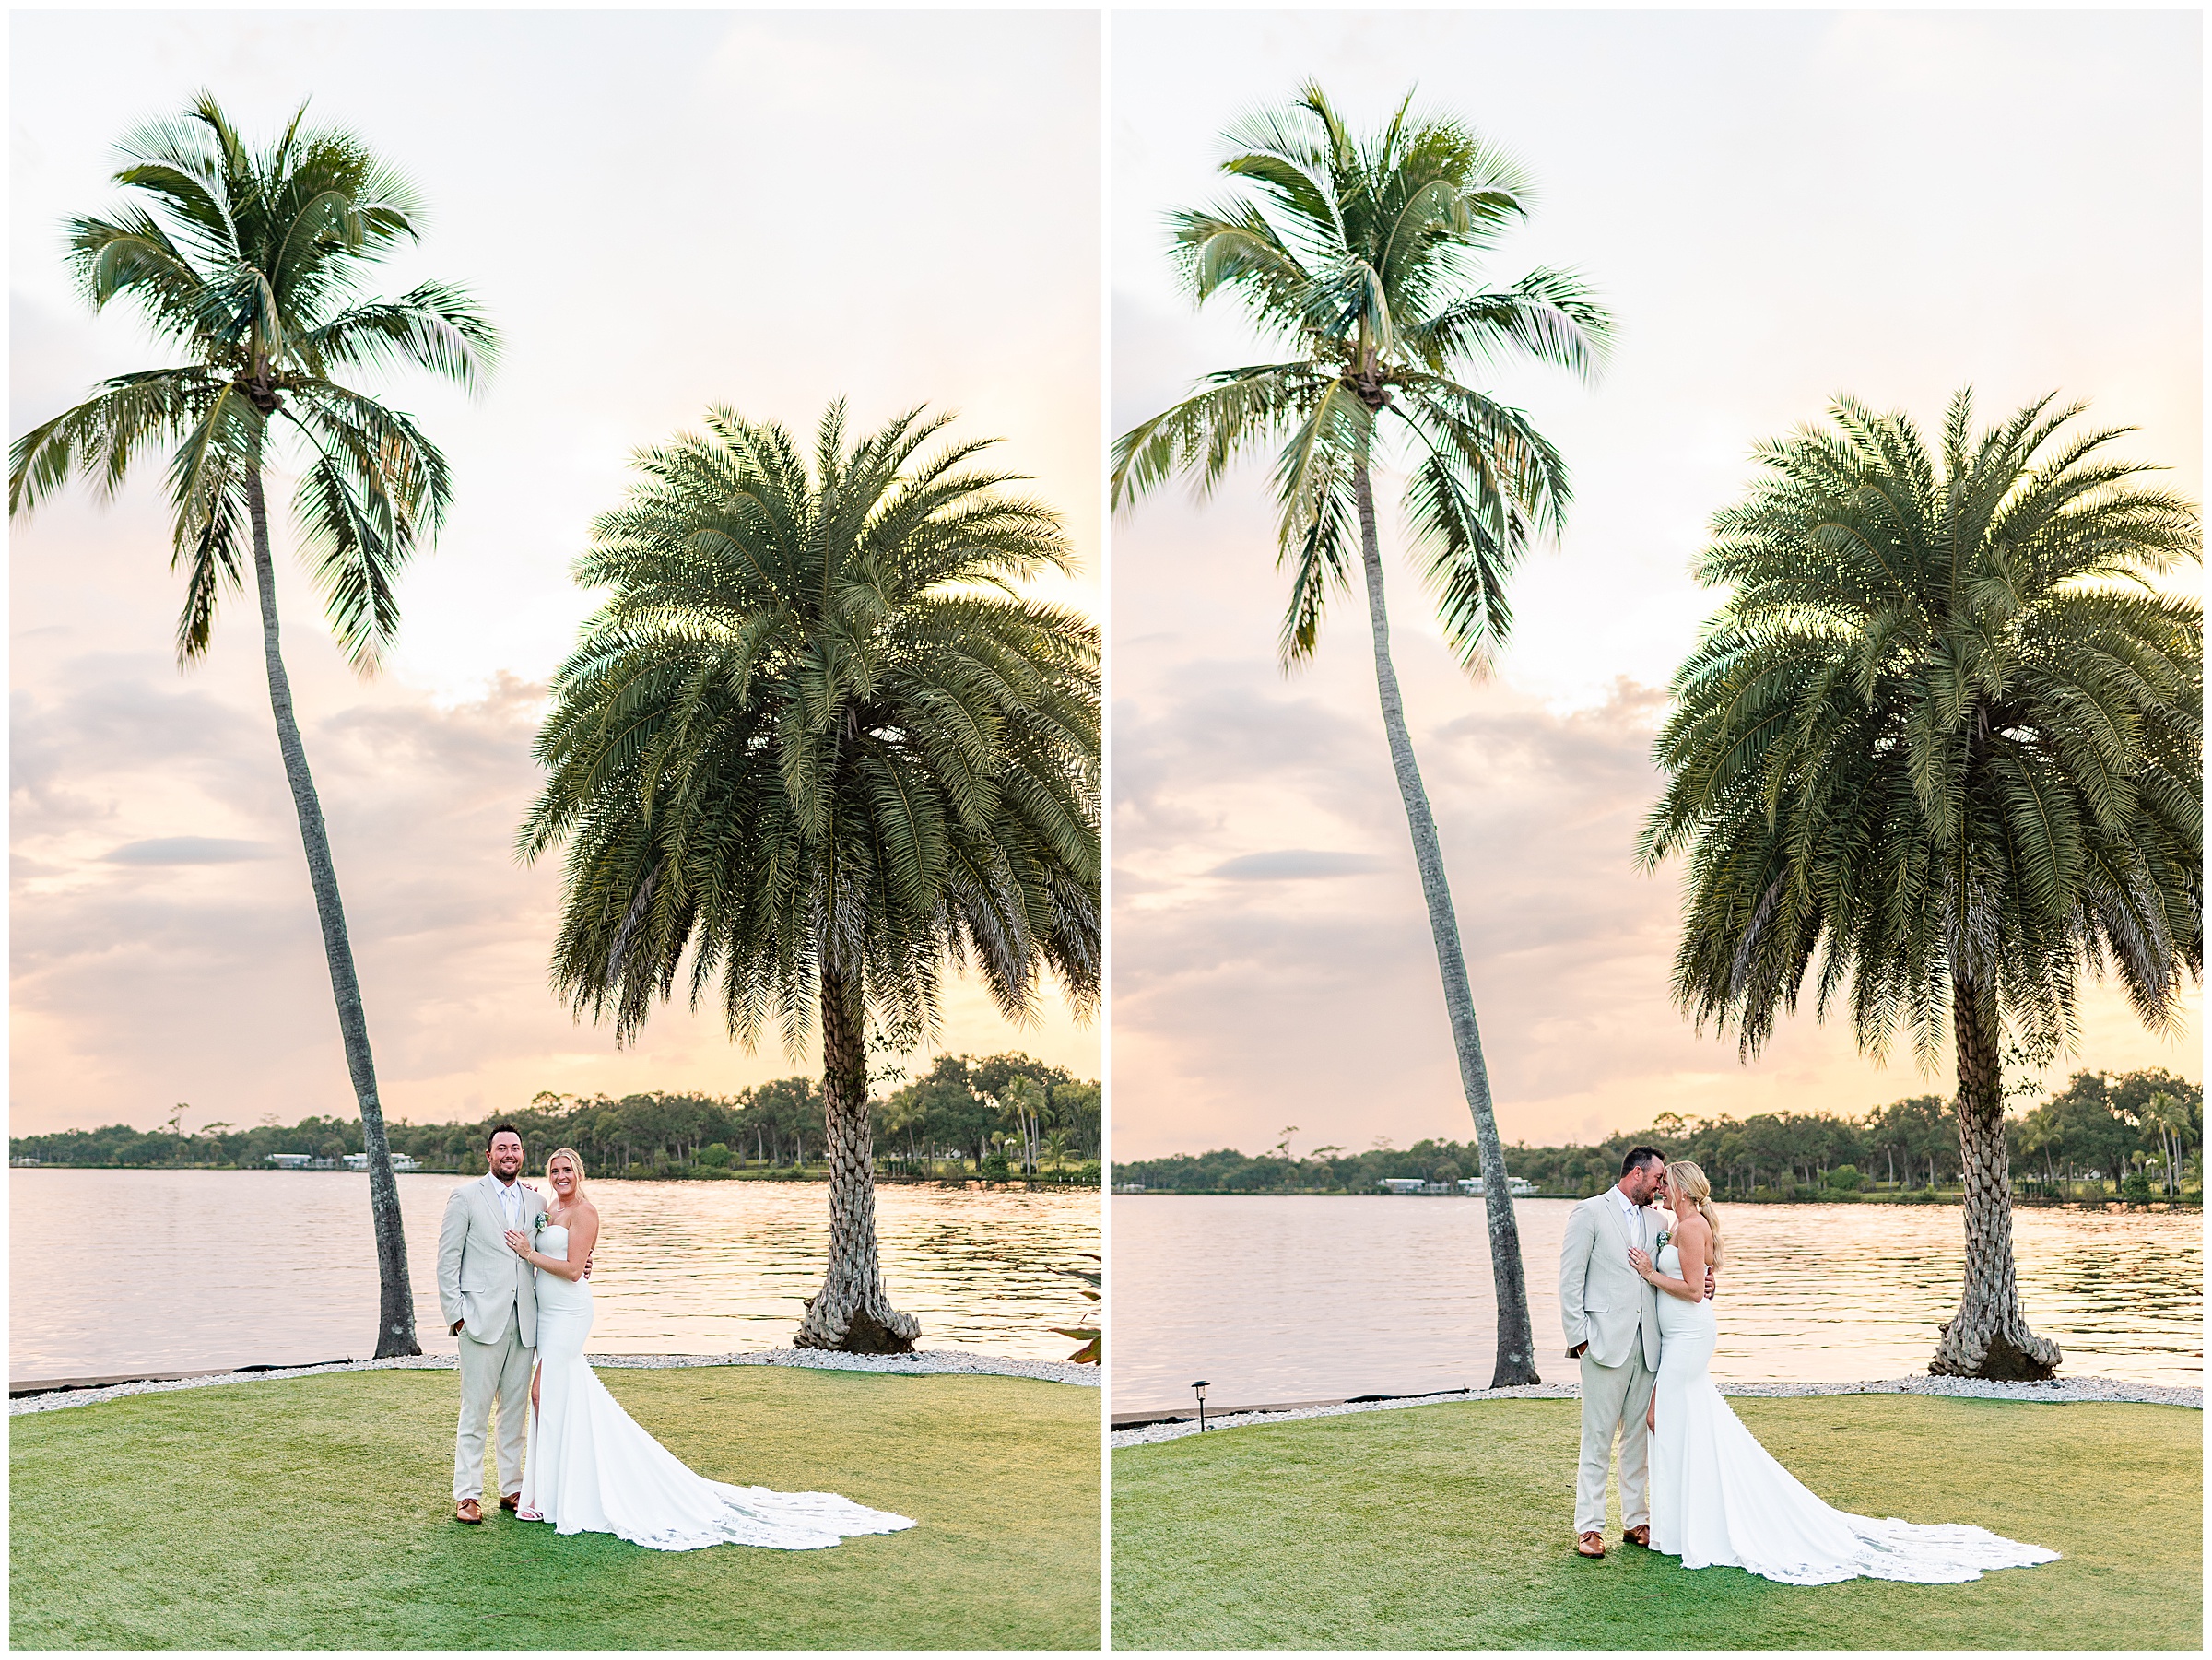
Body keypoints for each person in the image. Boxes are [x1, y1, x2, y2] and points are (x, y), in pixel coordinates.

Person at [1627, 1159, 2059, 1584]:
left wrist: (1650, 1273)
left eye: (1665, 1181)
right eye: (1658, 1180)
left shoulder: (1691, 1226)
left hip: (1688, 1337)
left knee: (1659, 1417)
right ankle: (1685, 1523)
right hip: (1678, 1337)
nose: (1660, 1186)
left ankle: (1689, 1524)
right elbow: (1701, 1278)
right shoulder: (1677, 1224)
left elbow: (1692, 1292)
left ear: (1681, 1187)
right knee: (1681, 1420)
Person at [505, 1148, 917, 1551]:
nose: (561, 1177)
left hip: (570, 1312)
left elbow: (576, 1270)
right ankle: (554, 1490)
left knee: (543, 1393)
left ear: (578, 1173)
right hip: (547, 1313)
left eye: (567, 1170)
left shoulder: (585, 1211)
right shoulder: (549, 1210)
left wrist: (530, 1252)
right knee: (561, 1395)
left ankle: (552, 1492)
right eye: (555, 1170)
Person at [1557, 1146, 1707, 1559]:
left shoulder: (1660, 1221)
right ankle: (1589, 1528)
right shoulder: (1589, 1213)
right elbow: (1570, 1280)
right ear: (1637, 1174)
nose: (1662, 1187)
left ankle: (1635, 1520)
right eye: (1658, 1179)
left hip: (1651, 1345)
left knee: (1638, 1439)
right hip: (1604, 1344)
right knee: (1598, 1439)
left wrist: (1705, 1284)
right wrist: (1580, 1339)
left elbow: (1683, 1269)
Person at [435, 1124, 543, 1524]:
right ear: (488, 1155)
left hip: (524, 1321)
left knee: (515, 1411)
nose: (509, 1154)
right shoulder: (465, 1197)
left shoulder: (537, 1202)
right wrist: (457, 1317)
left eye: (515, 1148)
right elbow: (447, 1260)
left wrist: (581, 1261)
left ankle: (512, 1489)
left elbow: (545, 1251)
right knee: (475, 1411)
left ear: (522, 1154)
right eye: (502, 1149)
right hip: (479, 1321)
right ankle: (467, 1495)